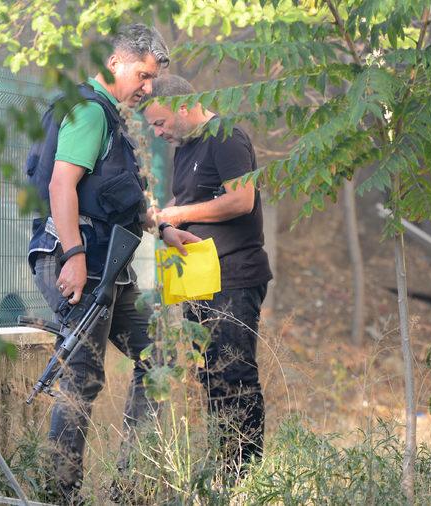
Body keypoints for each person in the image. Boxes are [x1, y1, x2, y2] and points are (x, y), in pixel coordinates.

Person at [27, 26, 199, 502]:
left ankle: (128, 487)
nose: (147, 87)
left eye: (152, 78)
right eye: (142, 75)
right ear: (116, 62)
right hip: (78, 258)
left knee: (158, 357)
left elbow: (114, 197)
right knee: (82, 374)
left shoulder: (109, 116)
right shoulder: (87, 110)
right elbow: (63, 187)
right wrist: (76, 256)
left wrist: (162, 228)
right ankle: (59, 494)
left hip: (110, 264)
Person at [142, 74, 273, 472]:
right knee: (211, 379)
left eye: (160, 123)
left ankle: (245, 474)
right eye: (153, 127)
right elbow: (186, 196)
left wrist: (180, 213)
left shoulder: (226, 136)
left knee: (235, 374)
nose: (158, 132)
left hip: (235, 276)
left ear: (184, 107)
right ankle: (223, 468)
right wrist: (163, 217)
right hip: (197, 280)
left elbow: (241, 200)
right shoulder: (185, 147)